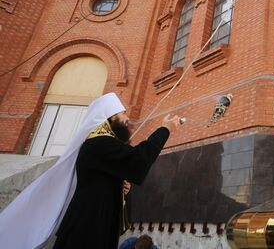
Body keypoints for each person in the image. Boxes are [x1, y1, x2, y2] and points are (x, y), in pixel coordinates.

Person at [0, 92, 181, 249]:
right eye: (123, 113)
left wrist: (122, 188)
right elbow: (137, 161)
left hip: (94, 223)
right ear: (110, 117)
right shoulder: (99, 143)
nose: (128, 118)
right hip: (87, 227)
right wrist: (165, 129)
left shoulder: (100, 144)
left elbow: (107, 178)